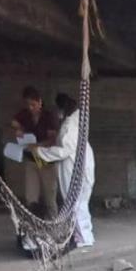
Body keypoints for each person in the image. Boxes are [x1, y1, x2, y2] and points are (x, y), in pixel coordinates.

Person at [33, 94, 95, 248]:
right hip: (82, 164)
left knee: (75, 202)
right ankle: (85, 235)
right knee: (80, 202)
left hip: (74, 167)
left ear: (61, 109)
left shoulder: (68, 125)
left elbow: (64, 150)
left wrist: (40, 152)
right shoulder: (77, 119)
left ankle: (83, 238)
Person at [13, 86, 60, 218]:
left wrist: (36, 146)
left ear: (40, 102)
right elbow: (14, 122)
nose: (31, 108)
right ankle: (33, 225)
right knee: (31, 196)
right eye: (28, 105)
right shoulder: (25, 114)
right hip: (31, 159)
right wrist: (19, 129)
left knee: (50, 196)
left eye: (33, 104)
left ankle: (53, 224)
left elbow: (52, 139)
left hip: (45, 159)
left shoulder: (48, 116)